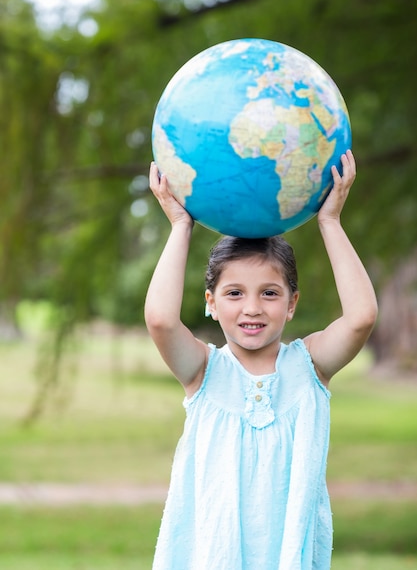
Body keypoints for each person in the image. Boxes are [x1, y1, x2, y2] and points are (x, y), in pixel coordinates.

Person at [145, 150, 378, 570]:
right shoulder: (204, 372)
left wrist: (330, 221)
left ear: (291, 305)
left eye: (269, 293)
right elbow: (161, 320)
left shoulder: (309, 367)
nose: (252, 307)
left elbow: (361, 318)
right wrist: (181, 226)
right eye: (235, 293)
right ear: (211, 304)